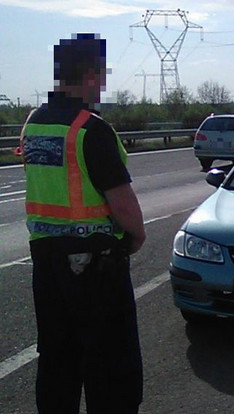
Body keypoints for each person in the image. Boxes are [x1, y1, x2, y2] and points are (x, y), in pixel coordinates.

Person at [20, 33, 146, 414]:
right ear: (91, 73)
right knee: (112, 369)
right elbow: (122, 204)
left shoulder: (34, 124)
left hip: (47, 264)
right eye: (101, 73)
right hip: (97, 267)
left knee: (58, 360)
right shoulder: (91, 129)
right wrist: (136, 236)